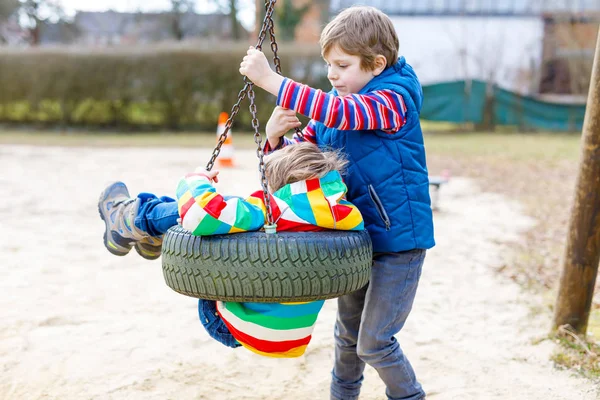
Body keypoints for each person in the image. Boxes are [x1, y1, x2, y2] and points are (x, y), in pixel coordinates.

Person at [239, 5, 434, 400]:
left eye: (342, 66)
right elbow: (292, 161)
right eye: (328, 64)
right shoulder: (333, 106)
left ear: (376, 64)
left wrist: (272, 81)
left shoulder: (395, 99)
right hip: (353, 240)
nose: (331, 74)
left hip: (399, 245)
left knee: (374, 342)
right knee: (346, 337)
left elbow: (346, 114)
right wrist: (273, 138)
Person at [98, 142, 364, 358]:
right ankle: (149, 234)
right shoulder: (346, 217)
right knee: (243, 223)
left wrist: (197, 179)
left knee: (223, 213)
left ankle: (132, 220)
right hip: (292, 338)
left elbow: (199, 215)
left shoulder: (272, 209)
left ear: (281, 184)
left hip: (229, 327)